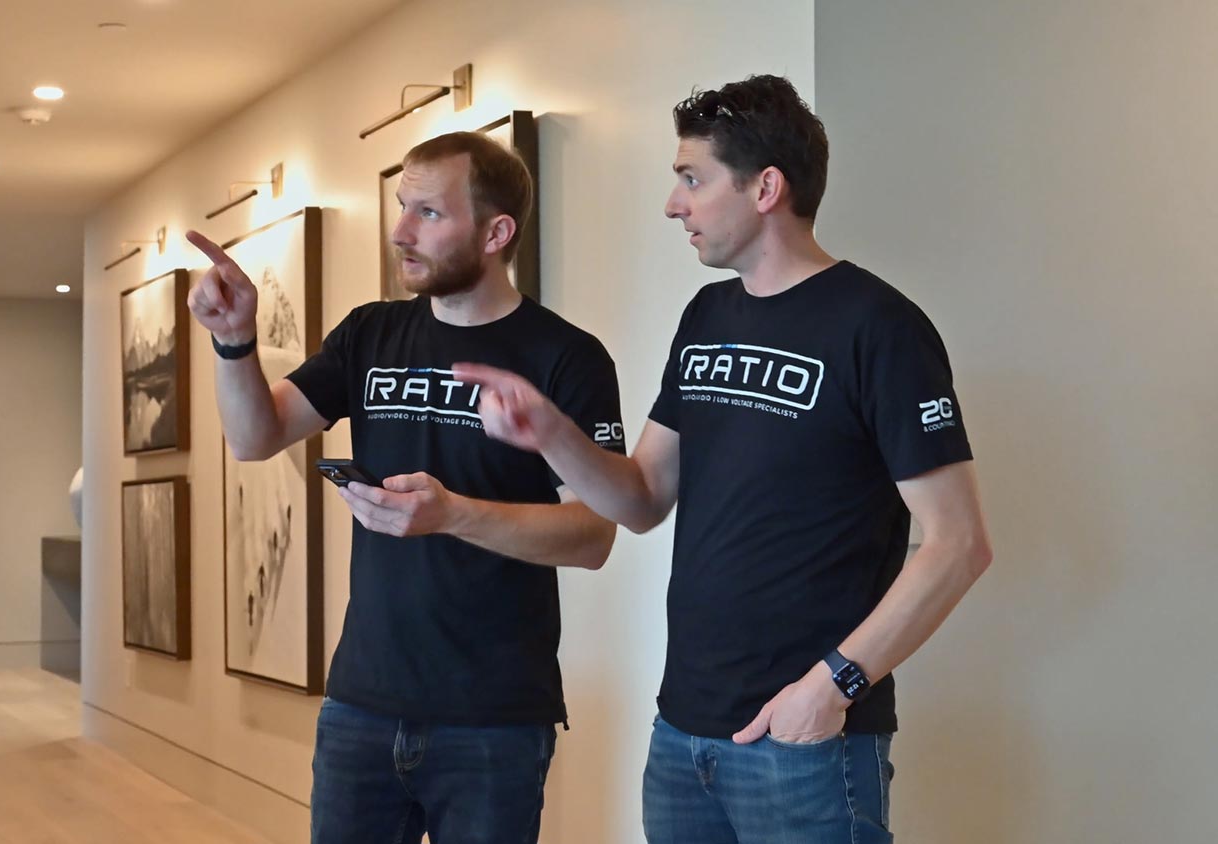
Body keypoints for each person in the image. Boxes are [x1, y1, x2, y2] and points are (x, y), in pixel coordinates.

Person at [456, 75, 994, 843]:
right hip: (682, 737)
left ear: (766, 187)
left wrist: (831, 688)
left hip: (806, 745)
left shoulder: (879, 328)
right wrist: (552, 434)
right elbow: (641, 497)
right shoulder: (708, 316)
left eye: (691, 179)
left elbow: (958, 544)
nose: (673, 204)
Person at [186, 130, 626, 844]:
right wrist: (234, 342)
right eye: (400, 207)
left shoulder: (565, 357)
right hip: (361, 702)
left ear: (496, 231)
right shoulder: (371, 334)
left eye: (427, 212)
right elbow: (254, 437)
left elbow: (594, 536)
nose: (399, 232)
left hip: (495, 719)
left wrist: (453, 515)